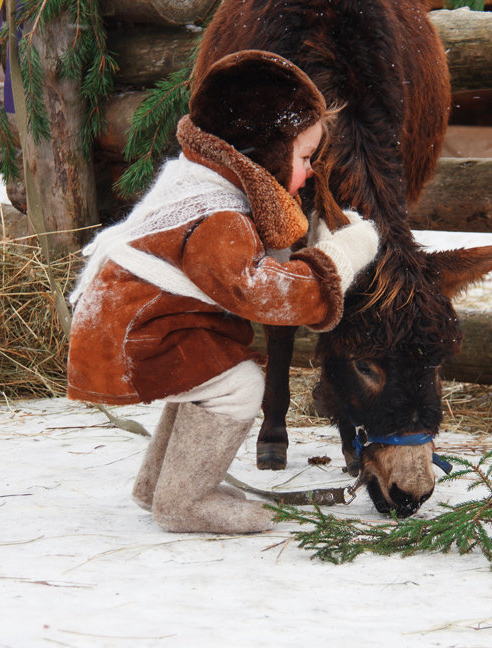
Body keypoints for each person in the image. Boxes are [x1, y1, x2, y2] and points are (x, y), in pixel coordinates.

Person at [66, 50, 379, 534]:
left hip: (132, 324)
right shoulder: (217, 217)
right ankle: (185, 502)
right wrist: (341, 257)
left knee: (207, 373)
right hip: (132, 335)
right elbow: (262, 293)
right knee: (238, 385)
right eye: (303, 157)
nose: (310, 170)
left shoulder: (201, 180)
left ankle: (158, 485)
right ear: (263, 154)